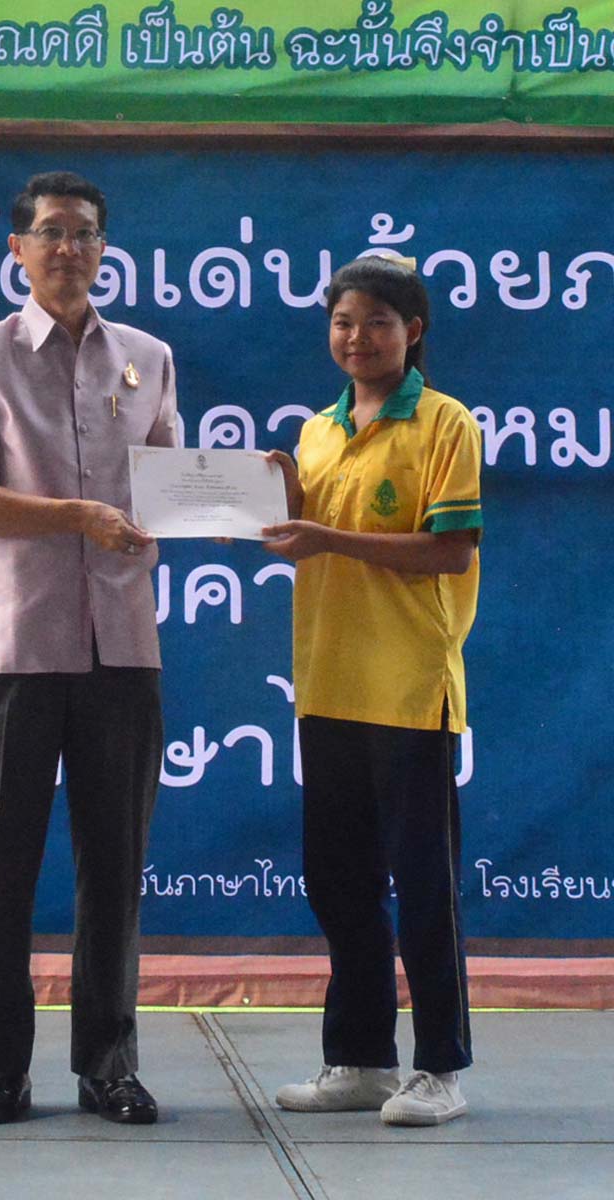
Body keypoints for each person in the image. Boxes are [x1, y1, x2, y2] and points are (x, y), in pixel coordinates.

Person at [0, 171, 177, 1126]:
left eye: (87, 234)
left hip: (122, 645)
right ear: (17, 250)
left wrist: (250, 491)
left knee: (115, 865)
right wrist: (73, 515)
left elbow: (169, 491)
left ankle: (109, 1064)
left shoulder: (147, 356)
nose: (70, 249)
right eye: (53, 233)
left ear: (106, 250)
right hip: (9, 645)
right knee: (4, 867)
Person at [263, 254, 482, 1127]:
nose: (358, 338)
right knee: (338, 881)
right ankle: (360, 1059)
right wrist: (268, 504)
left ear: (413, 331)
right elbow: (303, 536)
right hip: (327, 680)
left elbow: (451, 550)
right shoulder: (316, 431)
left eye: (378, 323)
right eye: (343, 323)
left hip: (409, 687)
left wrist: (328, 537)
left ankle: (441, 1069)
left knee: (424, 884)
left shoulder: (444, 422)